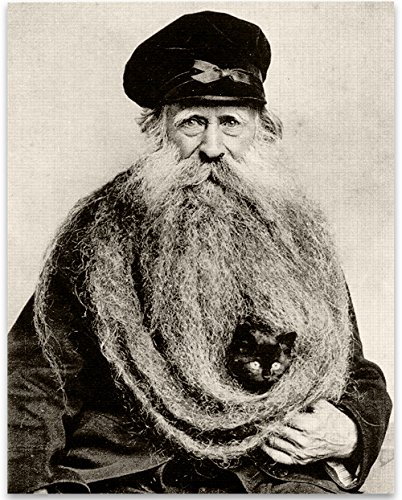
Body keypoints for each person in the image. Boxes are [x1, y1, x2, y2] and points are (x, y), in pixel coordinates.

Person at [8, 10, 392, 494]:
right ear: (159, 130)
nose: (213, 146)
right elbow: (37, 375)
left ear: (262, 129)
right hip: (132, 474)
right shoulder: (99, 232)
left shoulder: (298, 235)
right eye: (193, 122)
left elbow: (352, 369)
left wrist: (350, 431)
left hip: (269, 475)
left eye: (230, 122)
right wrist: (24, 487)